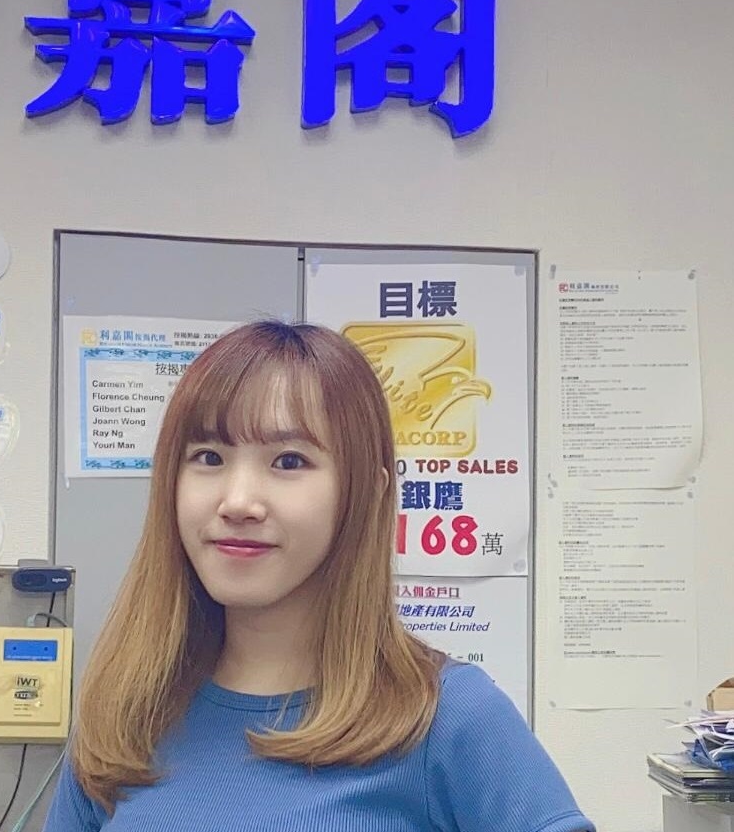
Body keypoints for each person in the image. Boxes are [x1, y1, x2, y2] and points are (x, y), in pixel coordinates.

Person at [44, 321, 593, 832]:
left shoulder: (447, 719)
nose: (238, 501)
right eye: (209, 457)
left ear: (366, 493)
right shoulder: (124, 717)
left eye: (289, 461)